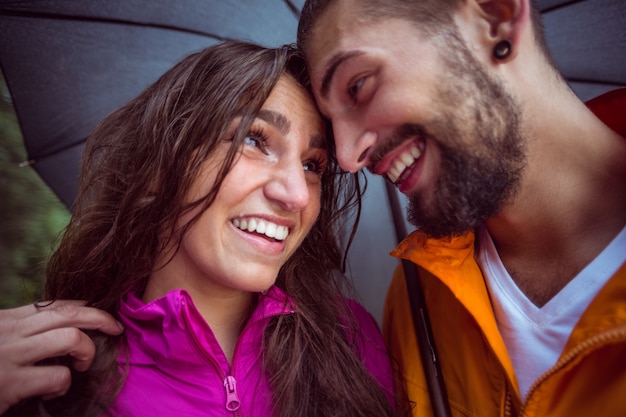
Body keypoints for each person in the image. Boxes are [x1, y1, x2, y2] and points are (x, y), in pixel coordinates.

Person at [1, 40, 399, 417]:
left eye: (312, 165)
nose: (296, 195)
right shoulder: (54, 371)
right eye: (254, 139)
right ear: (158, 168)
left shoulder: (351, 341)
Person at [297, 0, 626, 416]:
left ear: (494, 17)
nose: (346, 157)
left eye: (358, 85)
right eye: (332, 126)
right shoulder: (418, 296)